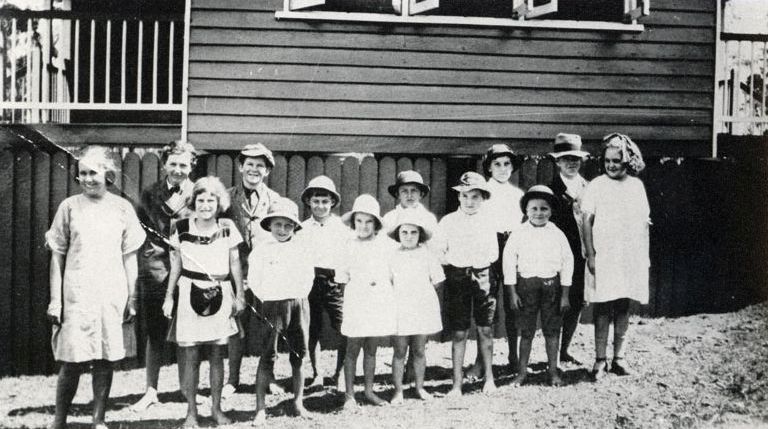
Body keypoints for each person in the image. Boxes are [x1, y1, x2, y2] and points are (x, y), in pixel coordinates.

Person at [46, 146, 146, 429]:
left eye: (94, 172)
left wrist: (132, 297)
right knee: (72, 360)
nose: (88, 179)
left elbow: (130, 259)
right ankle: (59, 420)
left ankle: (98, 419)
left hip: (111, 294)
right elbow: (57, 257)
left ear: (108, 174)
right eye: (83, 174)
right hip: (76, 293)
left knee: (104, 358)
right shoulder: (68, 207)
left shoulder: (122, 208)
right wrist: (56, 301)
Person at [162, 177, 246, 427]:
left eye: (211, 200)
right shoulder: (181, 226)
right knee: (190, 355)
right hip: (189, 292)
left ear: (219, 203)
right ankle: (191, 413)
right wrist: (169, 296)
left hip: (221, 291)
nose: (206, 205)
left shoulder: (228, 226)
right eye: (201, 200)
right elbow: (175, 264)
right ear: (193, 201)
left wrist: (239, 295)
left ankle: (217, 409)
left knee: (217, 353)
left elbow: (234, 263)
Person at [132, 140, 197, 411]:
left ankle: (186, 390)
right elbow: (141, 231)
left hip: (190, 267)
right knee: (155, 332)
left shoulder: (199, 193)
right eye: (173, 164)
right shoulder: (150, 193)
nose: (178, 170)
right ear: (164, 164)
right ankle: (151, 390)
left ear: (192, 165)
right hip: (156, 268)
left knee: (187, 332)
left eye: (184, 165)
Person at [581, 133, 650, 380]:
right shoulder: (597, 185)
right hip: (604, 255)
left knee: (623, 306)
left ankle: (618, 358)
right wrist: (590, 253)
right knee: (602, 306)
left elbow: (643, 223)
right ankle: (600, 359)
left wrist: (642, 258)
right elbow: (586, 221)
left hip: (628, 256)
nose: (611, 165)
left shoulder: (635, 186)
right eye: (608, 160)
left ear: (628, 162)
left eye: (617, 161)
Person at [222, 143, 281, 398]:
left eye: (260, 165)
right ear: (240, 166)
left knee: (271, 327)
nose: (254, 170)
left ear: (267, 171)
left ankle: (269, 378)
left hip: (267, 274)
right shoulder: (225, 197)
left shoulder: (276, 201)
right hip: (234, 273)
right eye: (250, 164)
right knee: (236, 326)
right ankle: (232, 379)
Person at [248, 198, 315, 424]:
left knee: (299, 354)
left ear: (295, 227)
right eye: (278, 225)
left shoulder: (302, 249)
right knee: (268, 355)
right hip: (272, 307)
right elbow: (254, 280)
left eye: (288, 226)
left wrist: (296, 295)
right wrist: (269, 297)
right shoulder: (261, 251)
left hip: (297, 304)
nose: (283, 230)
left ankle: (298, 402)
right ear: (269, 226)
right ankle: (260, 409)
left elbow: (308, 277)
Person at [503, 185, 573, 387]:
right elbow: (509, 263)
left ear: (551, 211)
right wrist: (512, 292)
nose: (539, 213)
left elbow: (567, 263)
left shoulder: (557, 234)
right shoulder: (518, 233)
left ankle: (553, 371)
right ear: (526, 211)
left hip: (552, 286)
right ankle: (522, 373)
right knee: (526, 332)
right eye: (534, 208)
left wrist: (565, 294)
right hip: (526, 287)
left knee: (552, 331)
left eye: (544, 209)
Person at [438, 172, 499, 396]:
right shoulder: (448, 221)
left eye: (475, 196)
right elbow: (440, 251)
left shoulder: (488, 221)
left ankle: (489, 379)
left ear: (483, 198)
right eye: (465, 196)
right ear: (458, 197)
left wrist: (478, 266)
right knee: (459, 332)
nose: (470, 201)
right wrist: (457, 265)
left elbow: (493, 252)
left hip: (483, 276)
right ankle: (456, 384)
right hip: (457, 277)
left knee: (485, 328)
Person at [468, 144, 525, 379]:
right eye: (497, 164)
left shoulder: (518, 195)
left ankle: (514, 357)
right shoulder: (484, 192)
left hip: (512, 247)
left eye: (507, 164)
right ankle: (481, 362)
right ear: (489, 167)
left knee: (514, 304)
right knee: (487, 305)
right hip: (489, 248)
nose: (503, 169)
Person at [336, 194, 397, 408]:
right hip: (356, 301)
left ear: (376, 223)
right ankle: (349, 395)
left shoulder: (386, 245)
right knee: (352, 349)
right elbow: (342, 277)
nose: (363, 226)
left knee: (371, 349)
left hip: (378, 301)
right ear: (353, 222)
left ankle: (369, 391)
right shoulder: (347, 244)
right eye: (359, 221)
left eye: (368, 221)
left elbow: (391, 274)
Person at [387, 209, 445, 404]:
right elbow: (388, 282)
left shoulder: (427, 255)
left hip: (421, 307)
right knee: (400, 351)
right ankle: (398, 391)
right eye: (404, 232)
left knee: (419, 350)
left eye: (413, 232)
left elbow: (437, 280)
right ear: (398, 234)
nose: (409, 236)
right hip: (400, 308)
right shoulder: (392, 256)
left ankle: (419, 387)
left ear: (420, 234)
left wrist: (421, 296)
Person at [298, 176, 349, 389]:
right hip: (310, 281)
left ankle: (340, 373)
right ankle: (317, 373)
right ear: (309, 201)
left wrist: (342, 281)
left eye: (325, 201)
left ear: (332, 203)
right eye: (316, 201)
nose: (320, 206)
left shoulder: (341, 228)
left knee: (345, 327)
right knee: (312, 329)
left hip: (335, 281)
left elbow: (347, 256)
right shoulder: (301, 229)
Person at [547, 133, 591, 365]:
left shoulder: (589, 187)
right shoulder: (550, 190)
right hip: (558, 257)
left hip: (583, 255)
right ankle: (552, 353)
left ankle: (565, 349)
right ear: (557, 162)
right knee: (557, 304)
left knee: (577, 302)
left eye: (575, 158)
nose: (571, 163)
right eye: (566, 159)